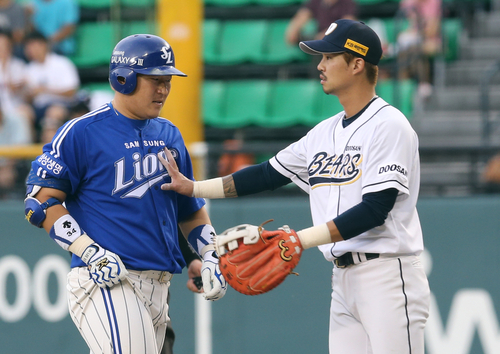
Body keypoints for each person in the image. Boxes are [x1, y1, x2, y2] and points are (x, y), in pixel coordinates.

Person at [159, 20, 430, 354]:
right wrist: (195, 188)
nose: (320, 65)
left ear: (357, 64)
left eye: (329, 56)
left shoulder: (390, 126)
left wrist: (299, 240)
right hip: (343, 278)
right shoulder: (323, 132)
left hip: (387, 274)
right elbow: (266, 174)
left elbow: (375, 210)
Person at [23, 34, 226, 354]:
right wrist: (88, 250)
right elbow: (40, 203)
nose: (164, 89)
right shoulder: (83, 131)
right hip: (105, 280)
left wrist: (210, 255)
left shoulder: (169, 133)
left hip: (160, 285)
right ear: (124, 78)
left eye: (167, 80)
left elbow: (189, 209)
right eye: (155, 79)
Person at [22, 30, 80, 142]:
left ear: (44, 45)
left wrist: (44, 90)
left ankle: (50, 150)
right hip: (38, 107)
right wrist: (26, 93)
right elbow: (28, 100)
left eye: (34, 46)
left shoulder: (62, 63)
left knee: (53, 112)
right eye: (28, 47)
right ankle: (26, 149)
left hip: (61, 105)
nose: (31, 50)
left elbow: (72, 91)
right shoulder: (28, 69)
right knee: (23, 111)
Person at [397, 0, 442, 98]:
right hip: (415, 42)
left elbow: (432, 30)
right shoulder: (410, 3)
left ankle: (423, 83)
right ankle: (405, 88)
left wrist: (416, 34)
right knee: (403, 53)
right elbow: (409, 26)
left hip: (432, 41)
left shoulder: (434, 2)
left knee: (415, 49)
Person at [285, 0, 357, 46]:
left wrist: (326, 35)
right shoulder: (316, 2)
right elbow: (303, 15)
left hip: (339, 42)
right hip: (319, 40)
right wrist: (293, 31)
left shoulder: (347, 3)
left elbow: (347, 24)